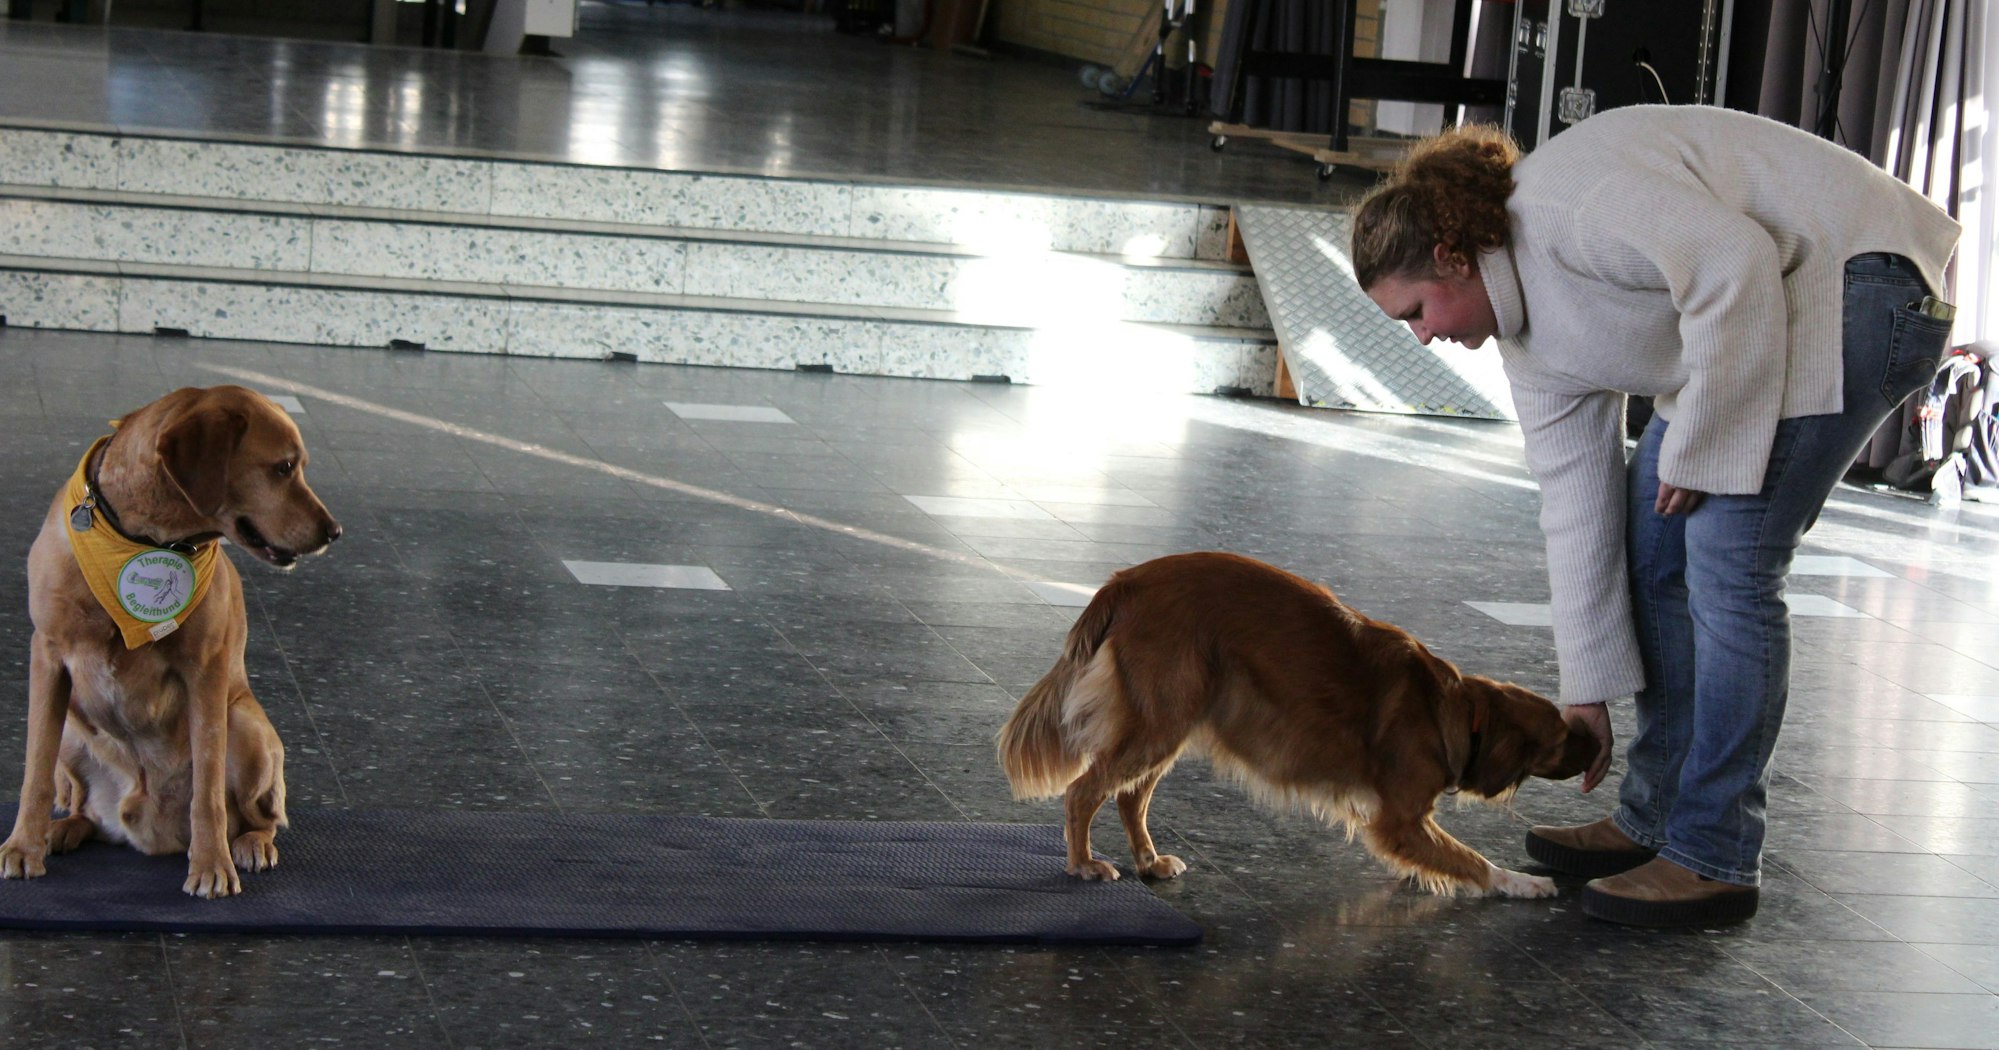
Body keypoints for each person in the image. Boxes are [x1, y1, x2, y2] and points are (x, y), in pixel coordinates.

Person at [1349, 106, 1961, 927]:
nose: (1421, 337)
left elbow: (1733, 258)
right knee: (1652, 543)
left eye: (1416, 312)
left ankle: (1712, 854)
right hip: (1768, 315)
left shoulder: (1564, 209)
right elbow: (1574, 507)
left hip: (1860, 280)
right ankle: (1653, 818)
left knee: (1729, 558)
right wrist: (1587, 689)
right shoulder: (1529, 348)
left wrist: (1702, 444)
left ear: (1452, 260)